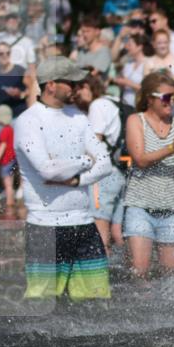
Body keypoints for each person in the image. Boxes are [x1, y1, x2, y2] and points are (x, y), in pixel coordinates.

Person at [14, 56, 113, 300]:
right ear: (50, 85)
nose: (77, 87)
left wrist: (77, 181)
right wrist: (85, 161)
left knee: (97, 304)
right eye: (71, 82)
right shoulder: (28, 121)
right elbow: (47, 170)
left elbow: (106, 163)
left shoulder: (79, 117)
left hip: (84, 223)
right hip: (45, 226)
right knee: (42, 304)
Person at [122, 72, 174, 277]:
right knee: (139, 273)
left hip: (172, 209)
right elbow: (140, 159)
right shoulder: (136, 120)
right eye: (166, 97)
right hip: (140, 207)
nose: (171, 101)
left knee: (170, 277)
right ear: (150, 98)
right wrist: (173, 147)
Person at [73, 74, 126, 252]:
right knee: (117, 233)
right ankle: (128, 268)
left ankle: (101, 268)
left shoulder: (97, 105)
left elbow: (94, 144)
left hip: (103, 177)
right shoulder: (115, 101)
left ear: (87, 87)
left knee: (99, 231)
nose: (76, 96)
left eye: (78, 91)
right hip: (121, 172)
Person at [0, 104, 18, 213]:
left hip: (6, 161)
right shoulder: (11, 129)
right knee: (10, 183)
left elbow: (3, 146)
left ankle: (9, 203)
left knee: (7, 184)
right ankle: (11, 200)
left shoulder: (4, 131)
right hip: (13, 160)